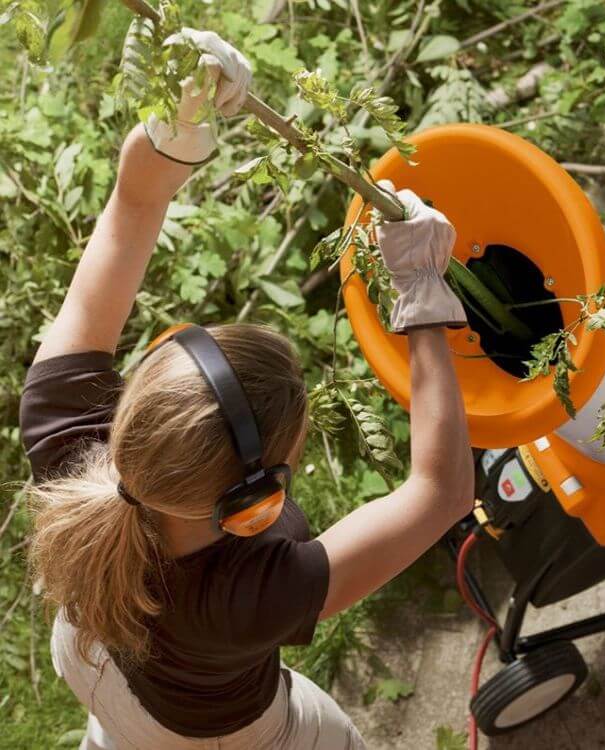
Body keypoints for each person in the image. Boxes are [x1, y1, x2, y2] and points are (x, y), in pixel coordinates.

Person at [20, 29, 473, 750]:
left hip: (92, 662)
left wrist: (180, 123)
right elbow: (442, 494)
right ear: (254, 504)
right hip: (209, 732)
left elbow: (132, 205)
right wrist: (422, 289)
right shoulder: (250, 596)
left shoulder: (65, 435)